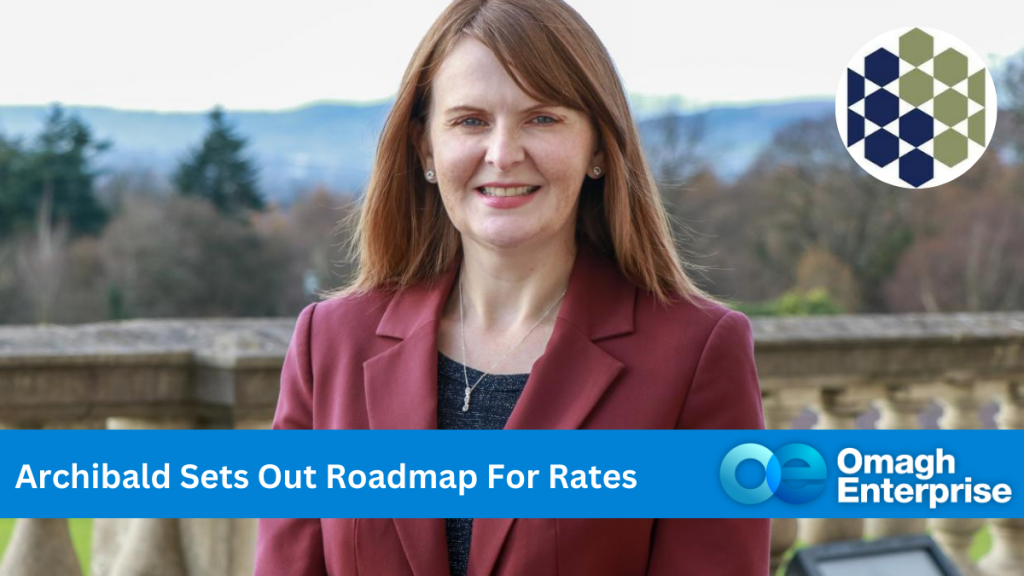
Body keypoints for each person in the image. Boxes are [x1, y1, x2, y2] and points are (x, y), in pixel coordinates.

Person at [254, 0, 769, 574]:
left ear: (597, 147)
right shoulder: (330, 344)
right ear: (426, 148)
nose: (502, 154)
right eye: (470, 121)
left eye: (542, 118)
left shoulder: (695, 353)